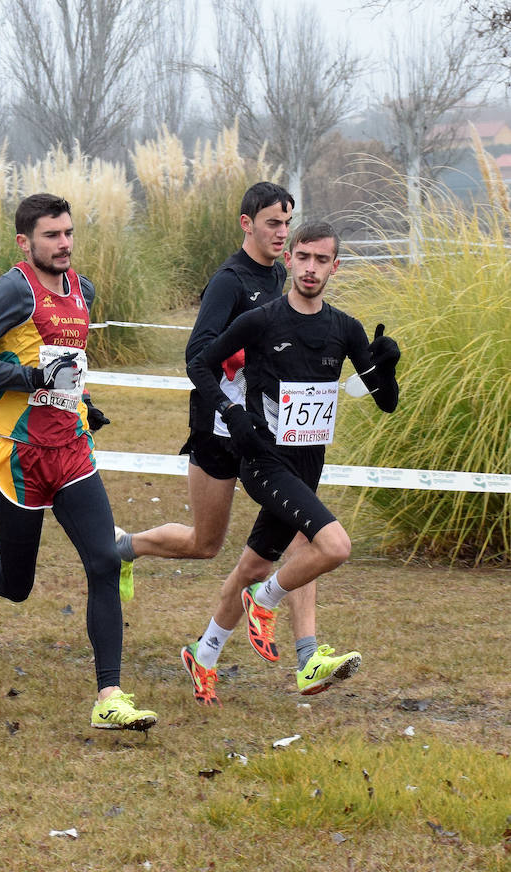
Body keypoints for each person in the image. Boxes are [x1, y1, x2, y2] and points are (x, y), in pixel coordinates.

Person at [0, 193, 157, 731]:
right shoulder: (13, 289)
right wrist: (29, 381)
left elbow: (69, 368)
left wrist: (81, 402)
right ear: (25, 241)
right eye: (51, 235)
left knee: (105, 562)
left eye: (67, 233)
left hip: (72, 450)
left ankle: (109, 695)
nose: (63, 244)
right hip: (19, 456)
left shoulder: (82, 290)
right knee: (17, 584)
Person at [112, 182, 323, 703]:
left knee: (302, 531)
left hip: (271, 432)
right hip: (219, 429)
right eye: (272, 222)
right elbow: (198, 354)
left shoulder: (284, 276)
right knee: (205, 543)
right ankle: (124, 550)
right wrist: (235, 385)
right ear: (247, 224)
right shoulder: (229, 281)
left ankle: (309, 655)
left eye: (287, 223)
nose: (282, 233)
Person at [181, 222, 397, 704]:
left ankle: (205, 652)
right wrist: (232, 413)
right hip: (263, 461)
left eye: (322, 260)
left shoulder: (345, 328)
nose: (311, 268)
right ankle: (271, 609)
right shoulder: (262, 319)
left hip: (307, 467)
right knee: (334, 546)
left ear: (335, 267)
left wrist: (387, 367)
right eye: (303, 257)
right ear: (290, 261)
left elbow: (384, 401)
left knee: (254, 565)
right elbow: (198, 364)